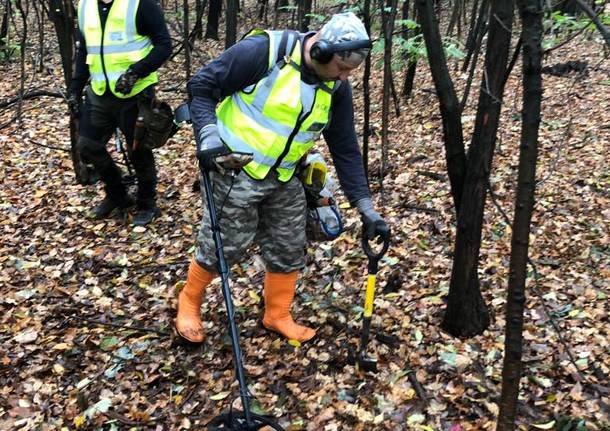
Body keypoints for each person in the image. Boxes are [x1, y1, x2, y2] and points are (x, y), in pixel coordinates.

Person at [176, 12, 390, 344]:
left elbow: (345, 147)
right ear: (319, 51)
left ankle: (277, 314)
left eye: (351, 72)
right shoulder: (264, 52)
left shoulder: (336, 88)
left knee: (290, 245)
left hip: (285, 175)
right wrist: (208, 137)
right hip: (234, 168)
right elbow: (201, 86)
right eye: (342, 68)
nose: (345, 78)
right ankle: (189, 301)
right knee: (225, 245)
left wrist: (366, 209)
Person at [68, 0, 172, 226]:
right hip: (99, 92)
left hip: (135, 93)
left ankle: (146, 203)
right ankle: (117, 195)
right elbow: (85, 50)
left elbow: (164, 45)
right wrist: (75, 89)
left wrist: (136, 72)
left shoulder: (141, 4)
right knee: (87, 145)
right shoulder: (85, 6)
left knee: (138, 151)